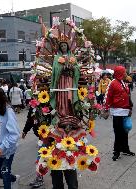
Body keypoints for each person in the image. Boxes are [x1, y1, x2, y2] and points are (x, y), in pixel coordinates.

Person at [49, 41, 79, 189]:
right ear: (59, 48)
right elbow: (55, 70)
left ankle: (69, 112)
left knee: (69, 98)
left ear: (68, 46)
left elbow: (77, 69)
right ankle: (61, 112)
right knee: (61, 99)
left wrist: (72, 67)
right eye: (61, 46)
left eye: (65, 46)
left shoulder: (72, 57)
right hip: (60, 82)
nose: (63, 48)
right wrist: (62, 67)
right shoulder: (57, 58)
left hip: (70, 81)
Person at [0, 87, 20, 189]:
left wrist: (3, 146)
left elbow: (14, 134)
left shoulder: (8, 111)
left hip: (7, 149)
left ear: (2, 97)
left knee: (5, 172)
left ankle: (10, 182)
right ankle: (14, 178)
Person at [104, 66, 135, 161]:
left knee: (125, 131)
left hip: (125, 111)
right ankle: (116, 151)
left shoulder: (124, 82)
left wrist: (130, 108)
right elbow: (108, 96)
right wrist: (106, 108)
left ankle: (125, 149)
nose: (126, 73)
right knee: (118, 133)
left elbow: (128, 97)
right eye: (124, 72)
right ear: (120, 73)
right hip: (117, 112)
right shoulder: (113, 83)